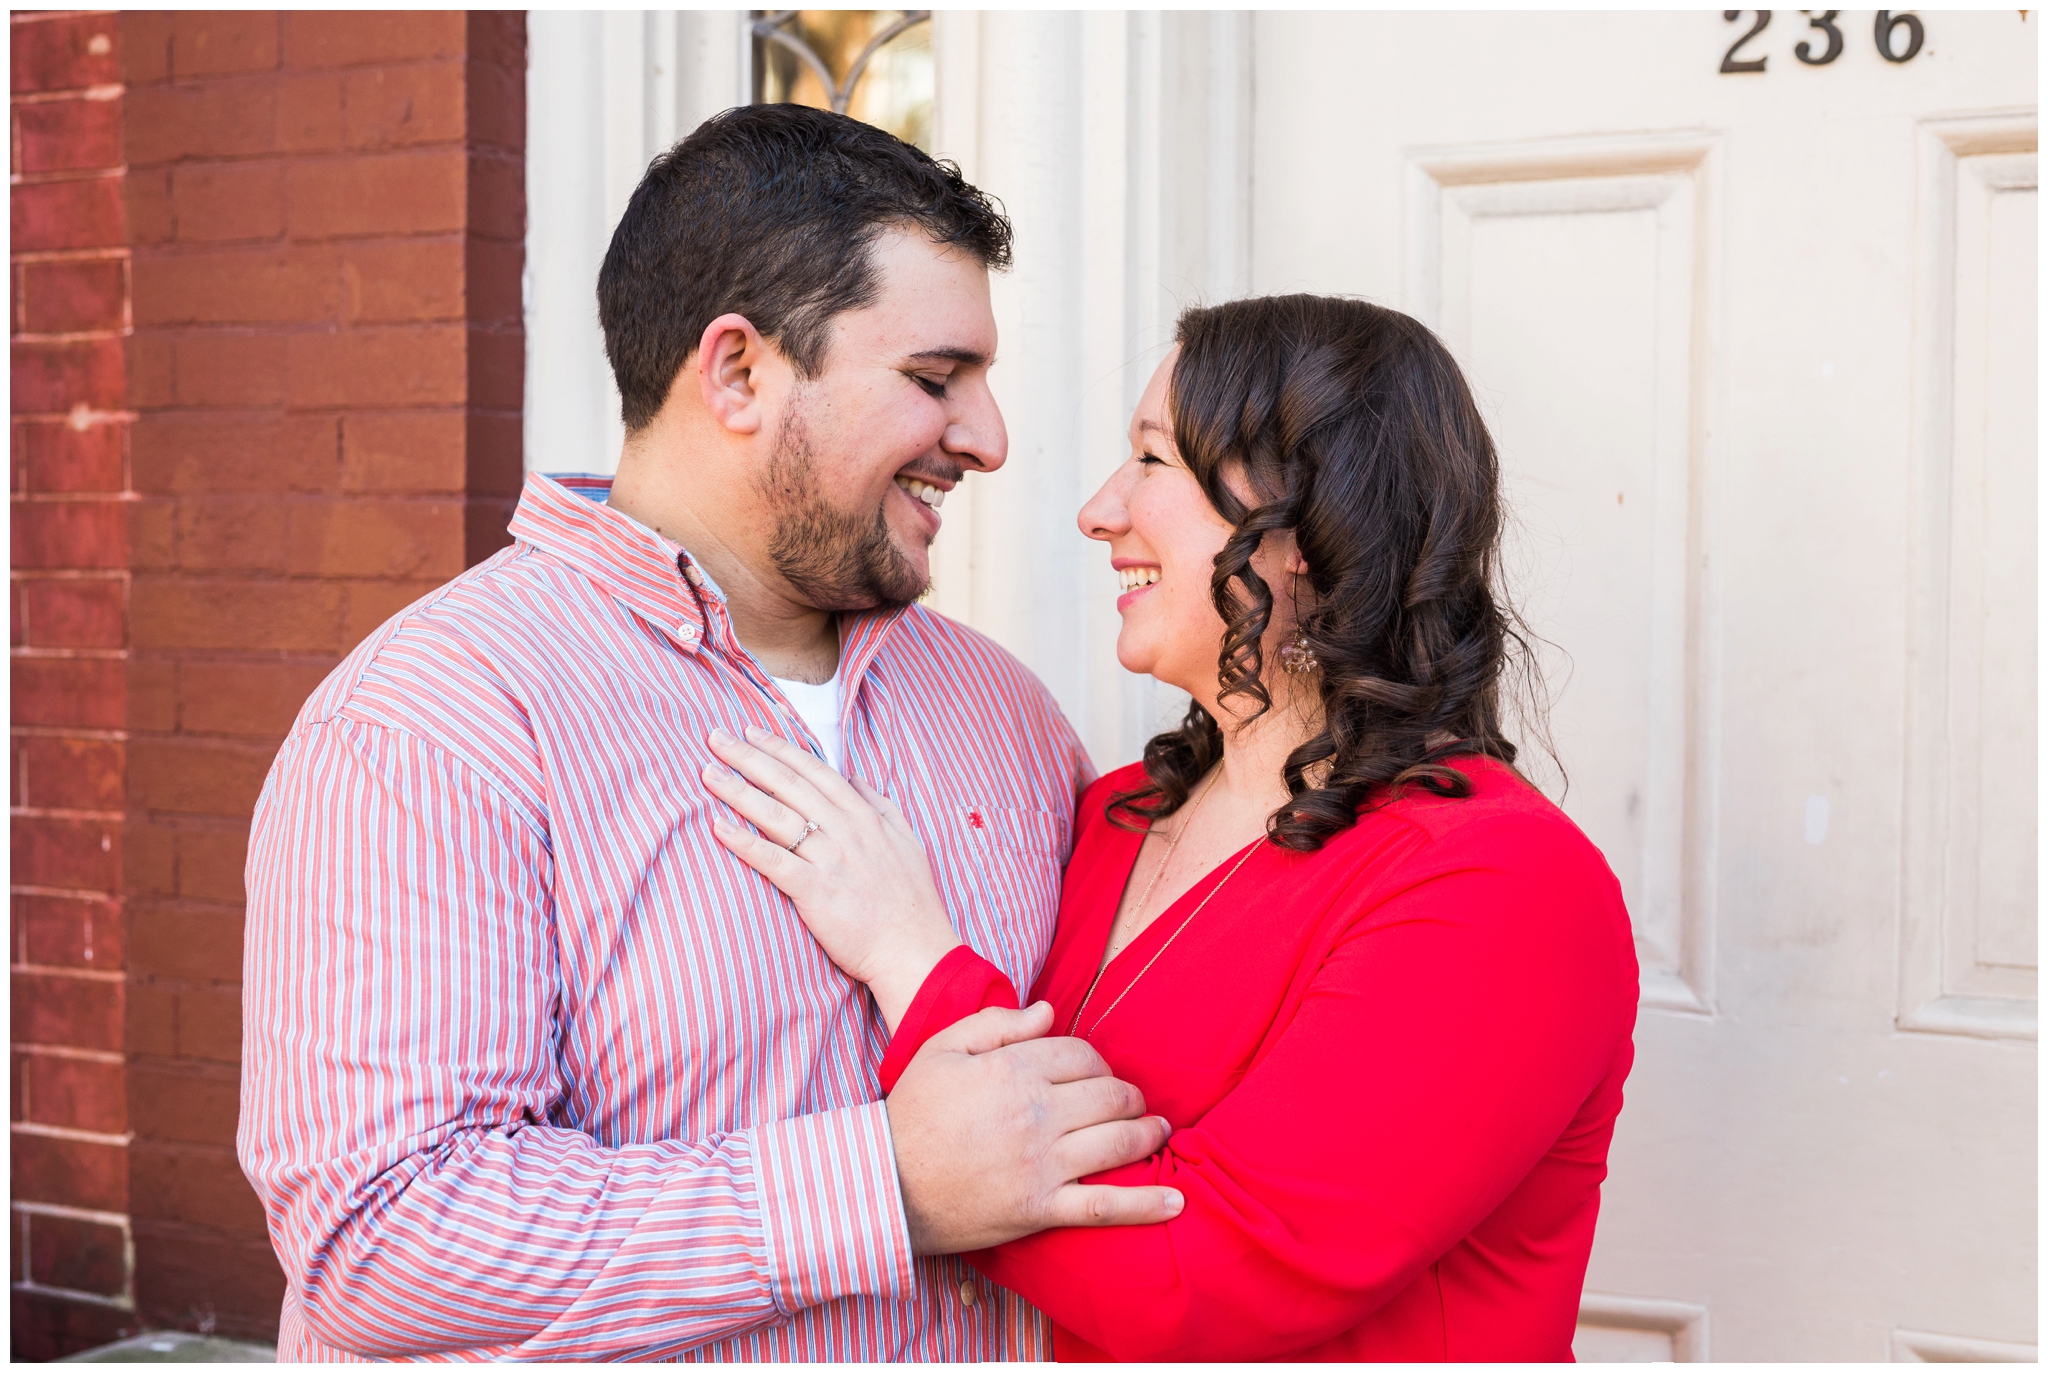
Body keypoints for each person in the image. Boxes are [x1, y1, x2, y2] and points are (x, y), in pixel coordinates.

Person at [237, 105, 1180, 1362]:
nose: (989, 440)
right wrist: (882, 1181)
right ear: (737, 371)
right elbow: (386, 1243)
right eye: (933, 378)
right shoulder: (435, 721)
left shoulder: (1004, 717)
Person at [703, 294, 1642, 1361]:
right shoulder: (1111, 813)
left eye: (1152, 460)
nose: (1099, 509)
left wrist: (909, 958)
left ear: (1304, 530)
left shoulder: (1495, 884)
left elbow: (1196, 1283)